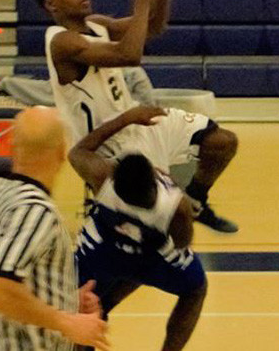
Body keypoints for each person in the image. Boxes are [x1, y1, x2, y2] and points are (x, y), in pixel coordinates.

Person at [34, 0, 239, 233]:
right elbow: (129, 56)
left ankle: (197, 198)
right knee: (168, 221)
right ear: (52, 5)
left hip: (136, 121)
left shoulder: (97, 25)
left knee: (222, 142)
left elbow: (152, 26)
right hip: (104, 144)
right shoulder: (60, 42)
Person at [0, 106, 110, 351]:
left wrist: (65, 300)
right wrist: (67, 321)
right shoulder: (35, 211)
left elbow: (3, 282)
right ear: (63, 152)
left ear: (11, 146)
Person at [69, 104, 208, 351]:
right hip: (150, 253)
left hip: (103, 247)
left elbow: (78, 151)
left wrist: (126, 118)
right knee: (196, 289)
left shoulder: (103, 178)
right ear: (153, 180)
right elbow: (182, 243)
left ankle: (91, 327)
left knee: (77, 301)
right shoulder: (177, 207)